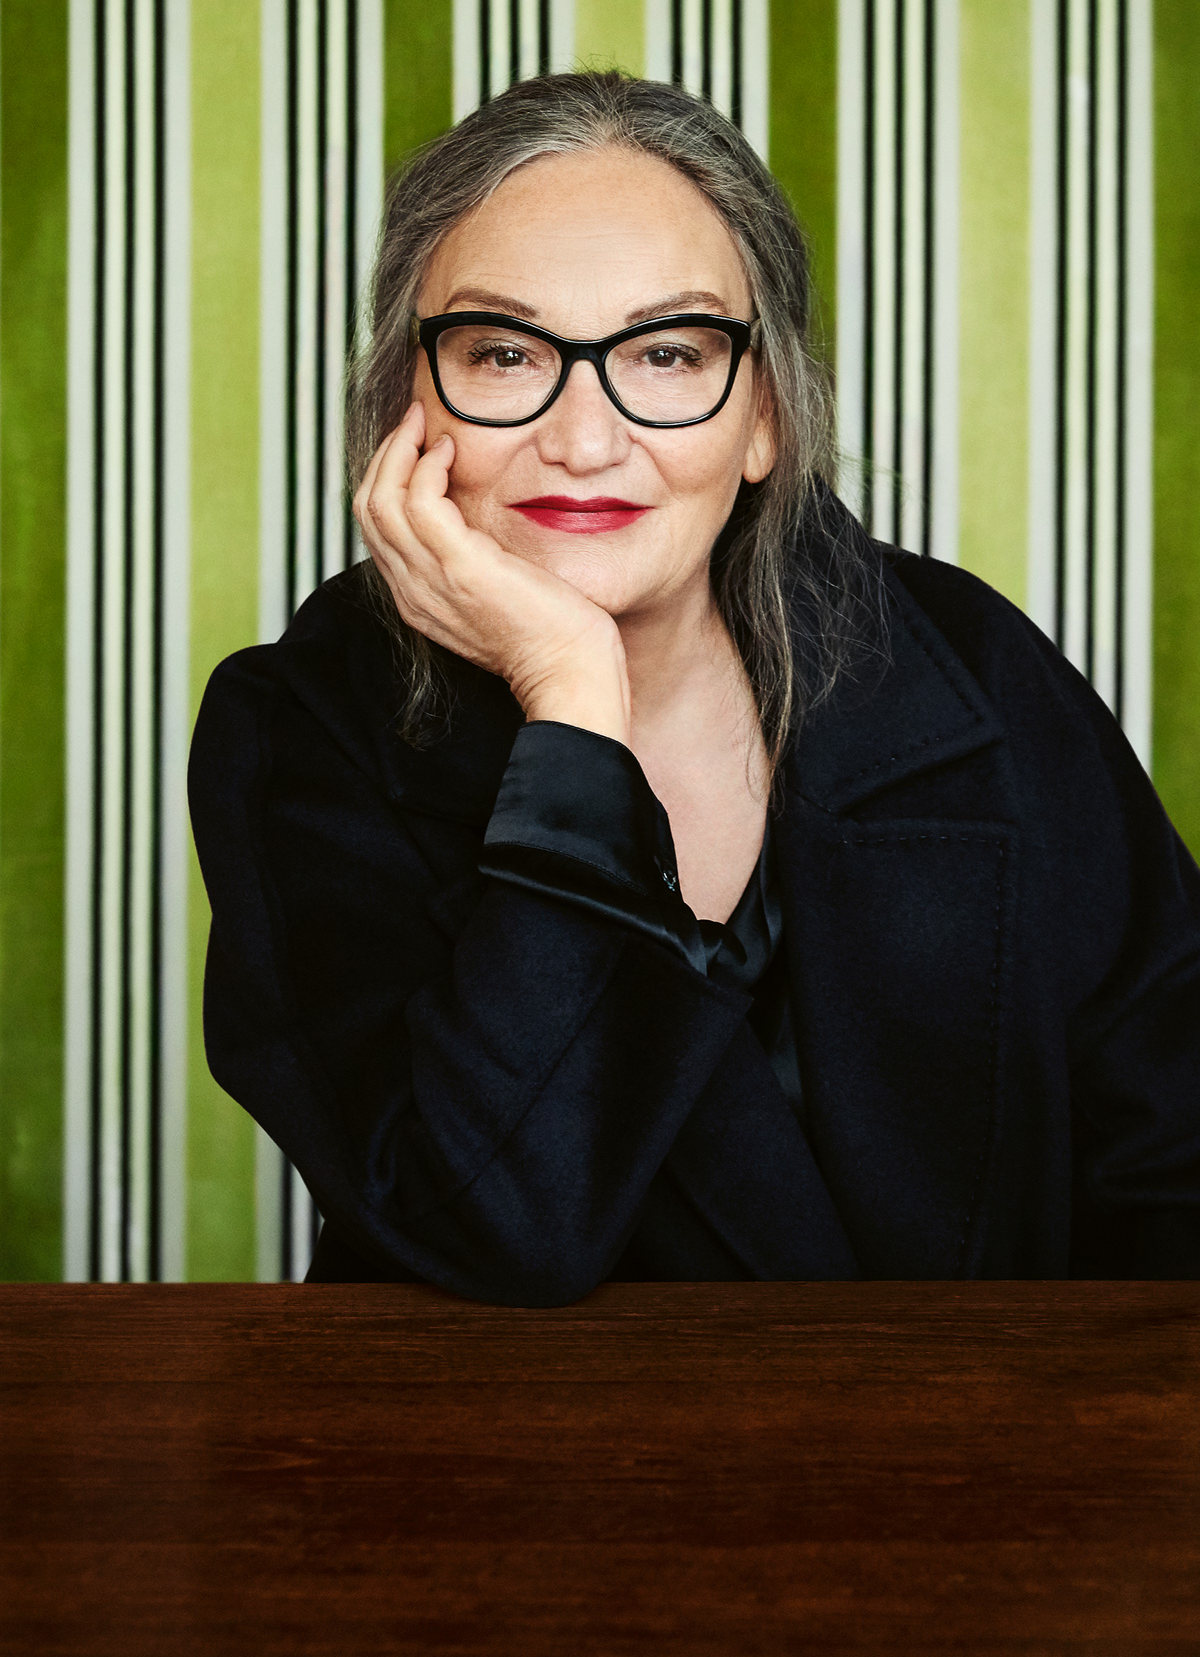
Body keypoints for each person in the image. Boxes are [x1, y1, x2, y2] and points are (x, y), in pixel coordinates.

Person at [188, 71, 1200, 1299]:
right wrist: (573, 704)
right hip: (507, 1425)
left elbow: (1172, 1159)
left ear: (763, 417)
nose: (584, 439)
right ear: (412, 402)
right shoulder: (300, 730)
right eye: (503, 353)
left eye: (667, 353)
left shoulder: (972, 670)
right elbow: (492, 1230)